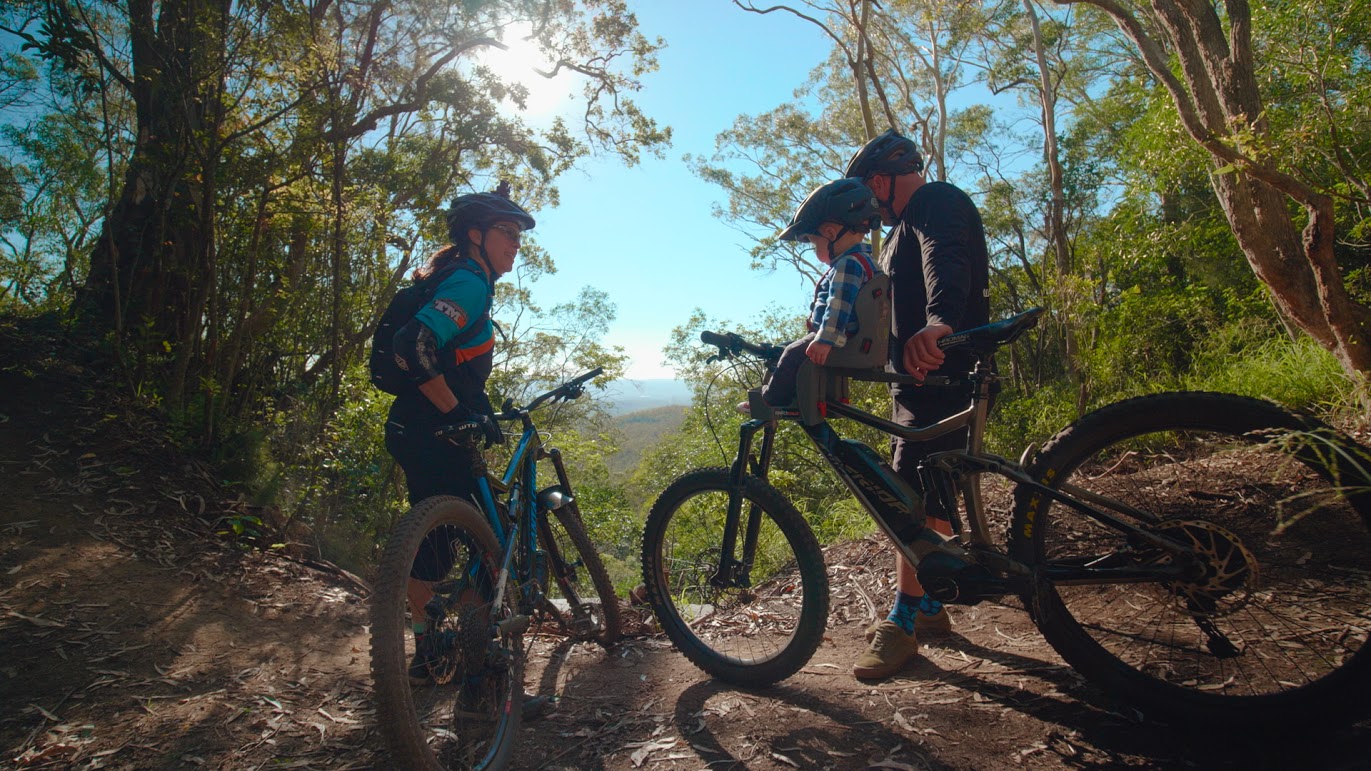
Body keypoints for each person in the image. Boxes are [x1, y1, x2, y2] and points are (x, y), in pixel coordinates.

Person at [383, 184, 548, 717]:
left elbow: (440, 351)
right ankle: (481, 690)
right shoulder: (470, 282)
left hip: (412, 429)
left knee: (432, 546)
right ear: (475, 235)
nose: (515, 244)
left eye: (519, 236)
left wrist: (465, 404)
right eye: (507, 232)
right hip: (439, 430)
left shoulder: (449, 275)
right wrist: (458, 411)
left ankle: (429, 656)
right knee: (488, 557)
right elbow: (414, 345)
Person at [842, 129, 992, 680]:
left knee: (906, 499)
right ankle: (930, 605)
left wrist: (940, 323)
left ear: (880, 180)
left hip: (942, 372)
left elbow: (945, 260)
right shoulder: (896, 232)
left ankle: (903, 621)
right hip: (920, 384)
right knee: (931, 496)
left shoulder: (935, 201)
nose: (868, 204)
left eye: (867, 191)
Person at [761, 178, 885, 407]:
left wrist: (825, 339)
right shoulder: (868, 262)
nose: (815, 249)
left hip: (842, 339)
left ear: (829, 233)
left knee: (790, 353)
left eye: (812, 242)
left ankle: (770, 400)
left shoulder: (848, 264)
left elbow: (839, 305)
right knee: (787, 349)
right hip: (855, 339)